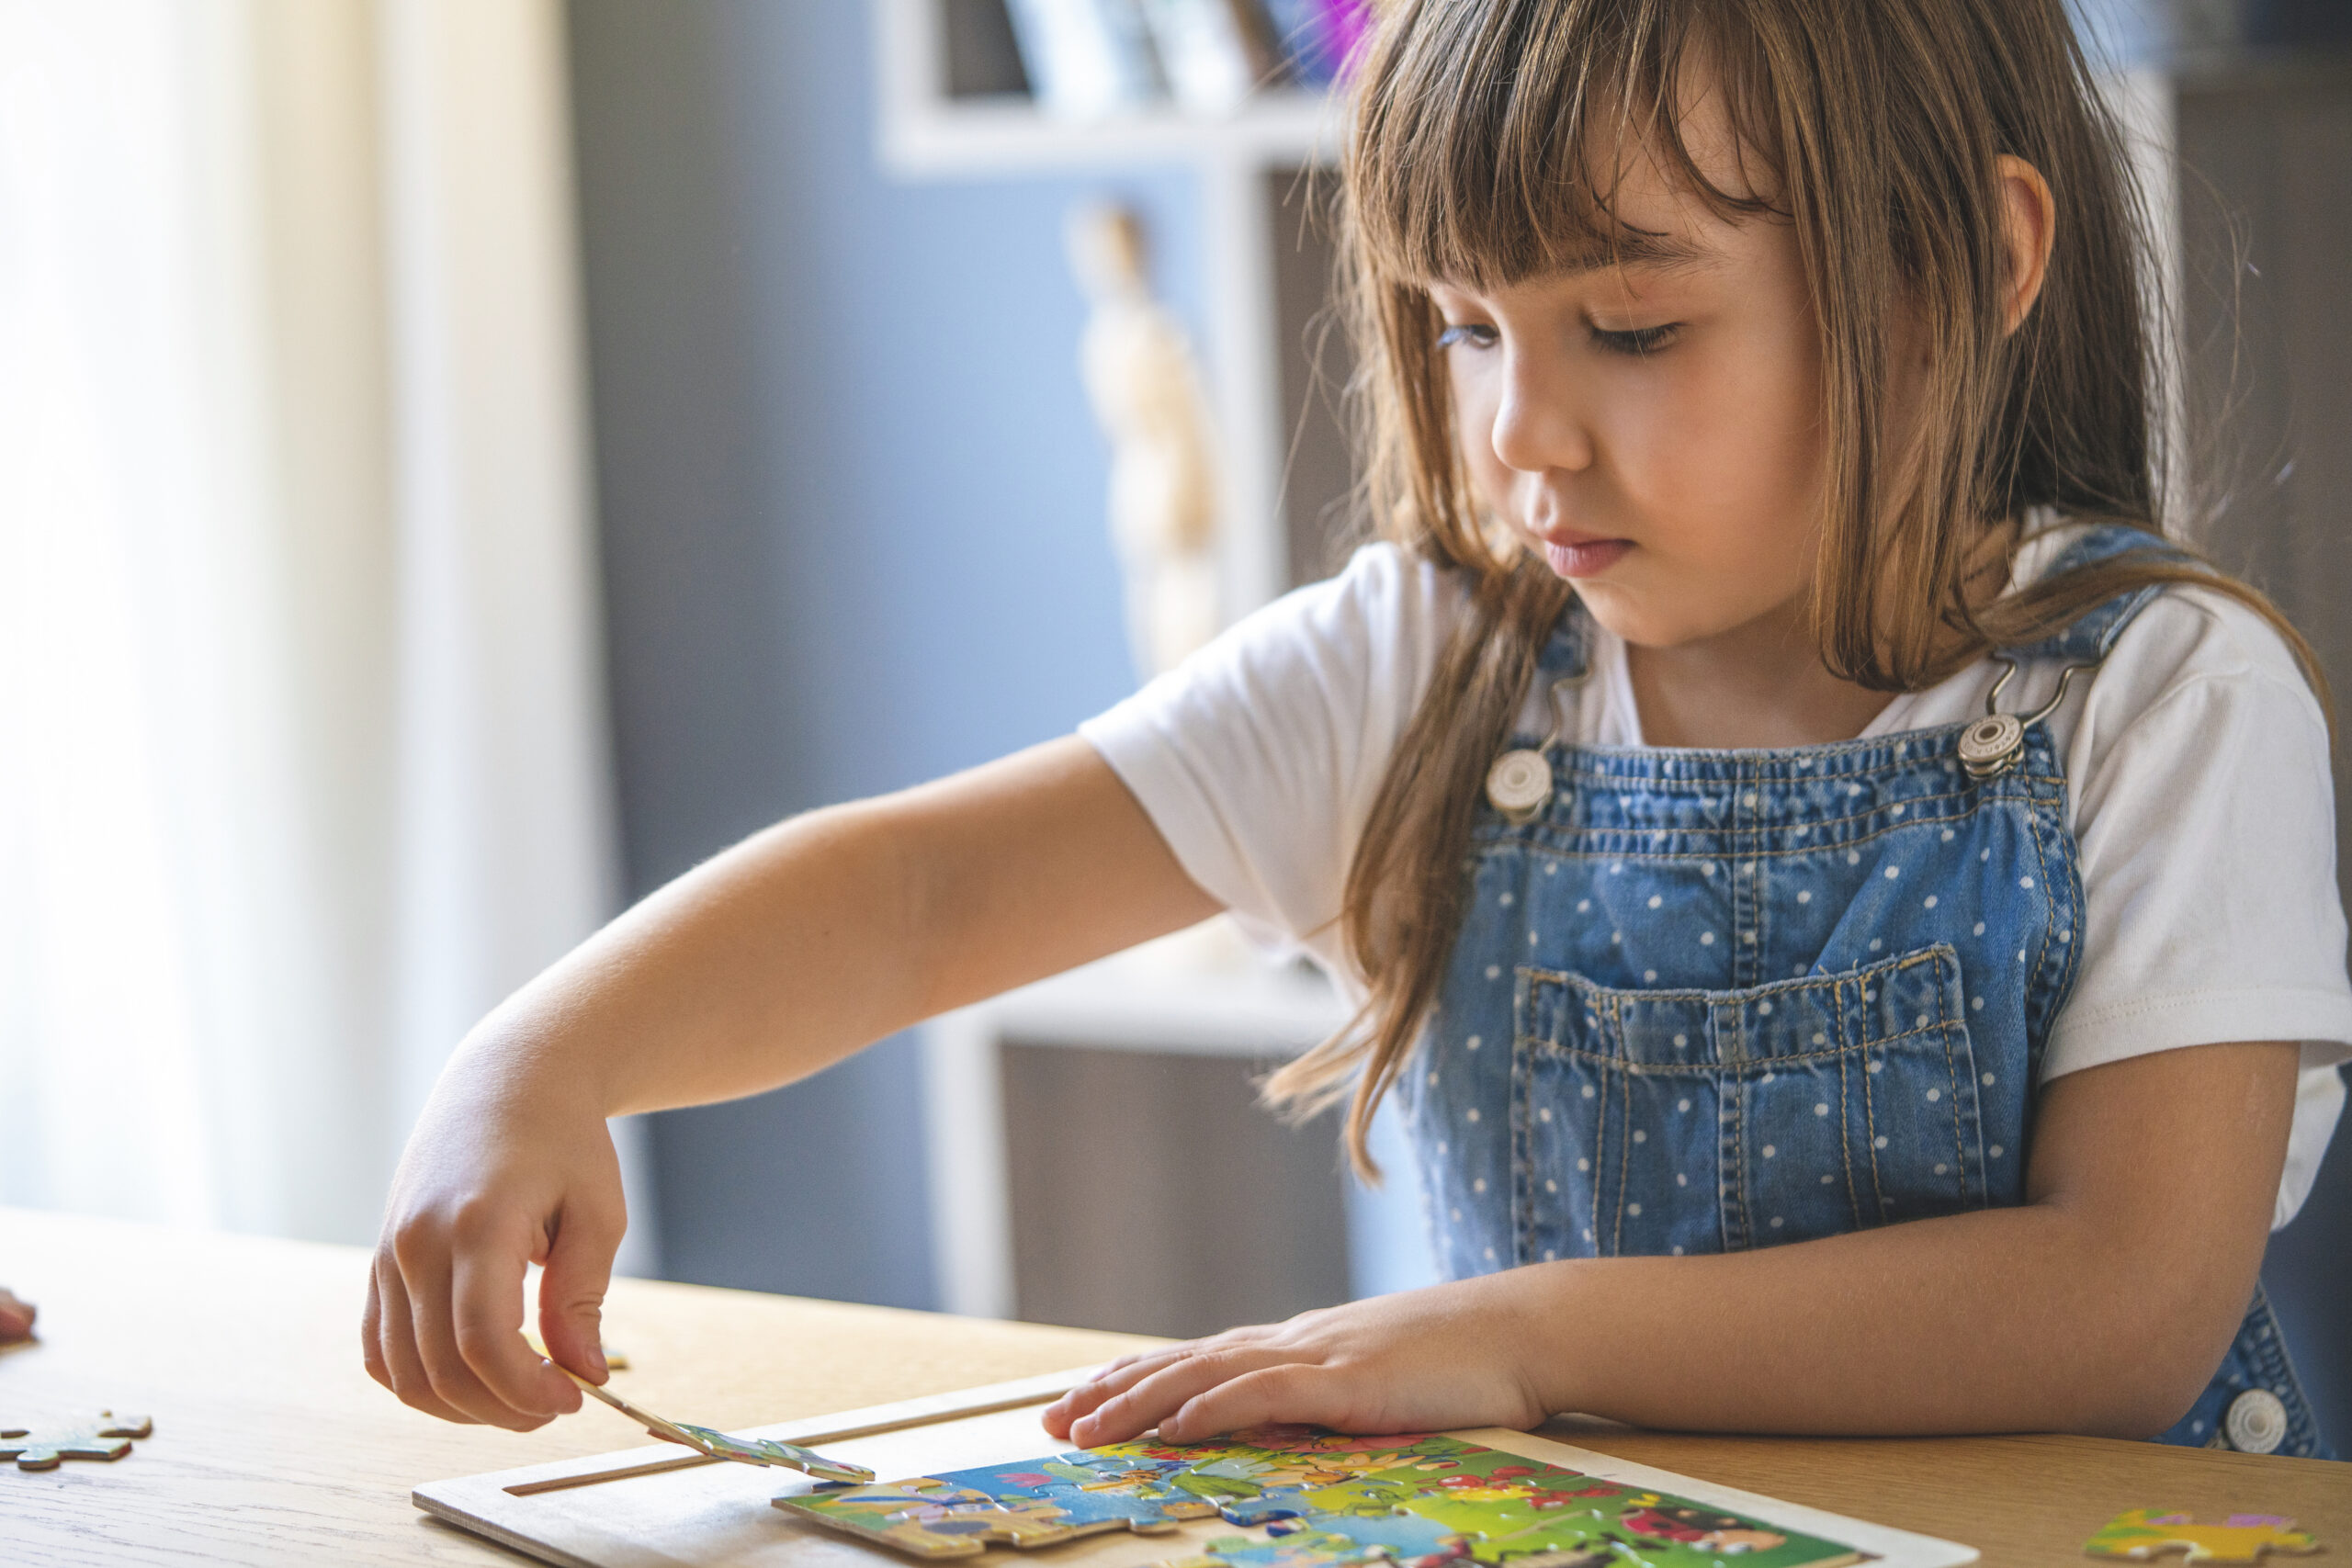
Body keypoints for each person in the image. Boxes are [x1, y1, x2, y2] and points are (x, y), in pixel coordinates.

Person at [364, 0, 2348, 1461]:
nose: (1516, 432)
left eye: (1631, 328)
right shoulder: (1428, 663)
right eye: (1462, 323)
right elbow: (925, 891)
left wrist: (1498, 1334)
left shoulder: (2161, 699)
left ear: (1961, 275)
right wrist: (539, 1054)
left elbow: (2116, 1298)